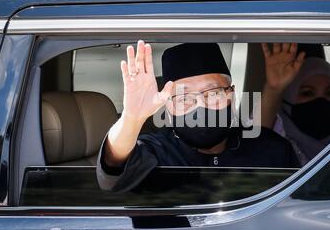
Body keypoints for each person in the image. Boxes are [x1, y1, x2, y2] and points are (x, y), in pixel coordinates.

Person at [96, 41, 299, 193]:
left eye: (213, 93)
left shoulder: (273, 150)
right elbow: (113, 168)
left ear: (231, 94)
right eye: (184, 98)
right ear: (168, 107)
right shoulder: (156, 152)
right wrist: (132, 118)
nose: (200, 106)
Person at [260, 43, 330, 166]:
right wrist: (273, 89)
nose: (320, 102)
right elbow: (254, 141)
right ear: (288, 99)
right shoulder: (276, 147)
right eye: (307, 93)